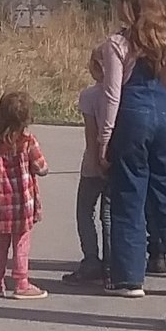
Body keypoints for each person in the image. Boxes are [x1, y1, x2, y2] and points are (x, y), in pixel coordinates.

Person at [94, 0, 166, 297]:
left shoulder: (117, 43)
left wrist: (104, 140)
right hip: (163, 117)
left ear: (128, 5)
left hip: (132, 117)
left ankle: (130, 278)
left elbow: (111, 96)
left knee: (129, 196)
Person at [0, 91, 50, 299]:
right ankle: (21, 282)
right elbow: (41, 166)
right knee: (21, 242)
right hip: (22, 203)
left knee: (0, 243)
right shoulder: (28, 142)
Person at [66, 61, 112, 285]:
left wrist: (94, 161)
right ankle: (112, 261)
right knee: (109, 214)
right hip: (116, 161)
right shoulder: (121, 94)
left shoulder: (90, 95)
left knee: (85, 211)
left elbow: (91, 131)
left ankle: (91, 259)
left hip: (93, 162)